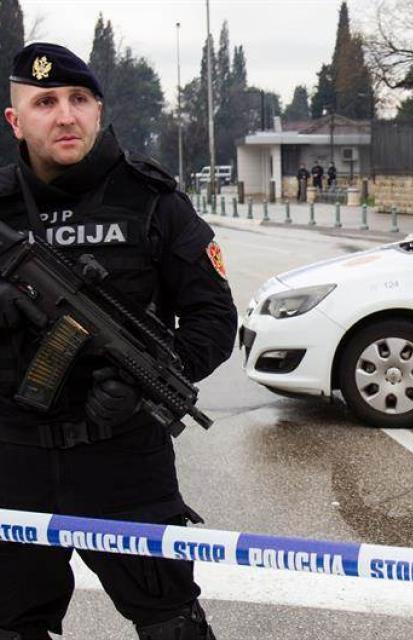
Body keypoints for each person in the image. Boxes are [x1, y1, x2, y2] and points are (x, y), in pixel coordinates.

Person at [0, 43, 237, 640]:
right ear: (15, 120)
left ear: (99, 110)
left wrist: (145, 381)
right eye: (45, 102)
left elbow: (214, 318)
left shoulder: (152, 200)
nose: (65, 115)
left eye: (79, 99)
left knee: (172, 625)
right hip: (12, 457)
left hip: (124, 457)